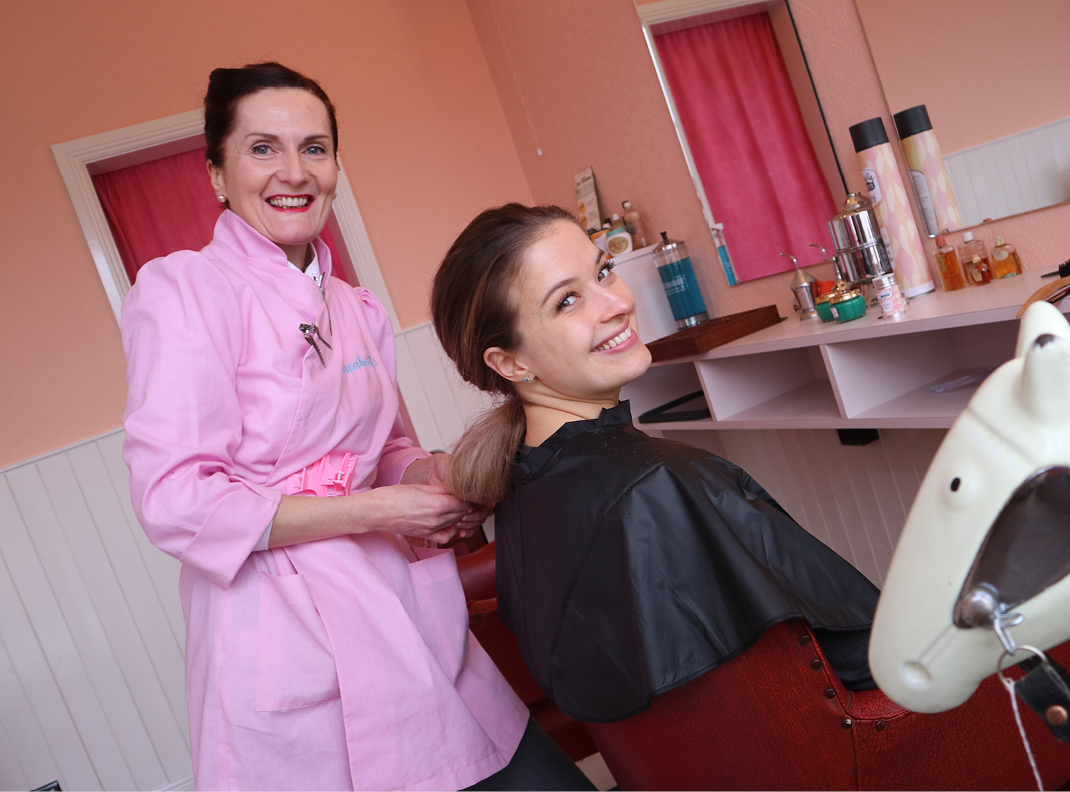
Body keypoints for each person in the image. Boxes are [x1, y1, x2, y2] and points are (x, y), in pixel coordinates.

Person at [121, 65, 590, 790]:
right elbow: (176, 500)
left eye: (315, 148)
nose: (294, 171)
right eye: (262, 149)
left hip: (396, 609)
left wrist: (437, 475)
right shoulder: (181, 292)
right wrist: (374, 510)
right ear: (216, 172)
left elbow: (390, 452)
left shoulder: (356, 308)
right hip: (279, 628)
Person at [429, 204, 881, 724]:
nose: (617, 303)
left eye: (602, 272)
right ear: (511, 363)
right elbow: (873, 660)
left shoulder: (523, 492)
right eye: (568, 301)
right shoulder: (656, 483)